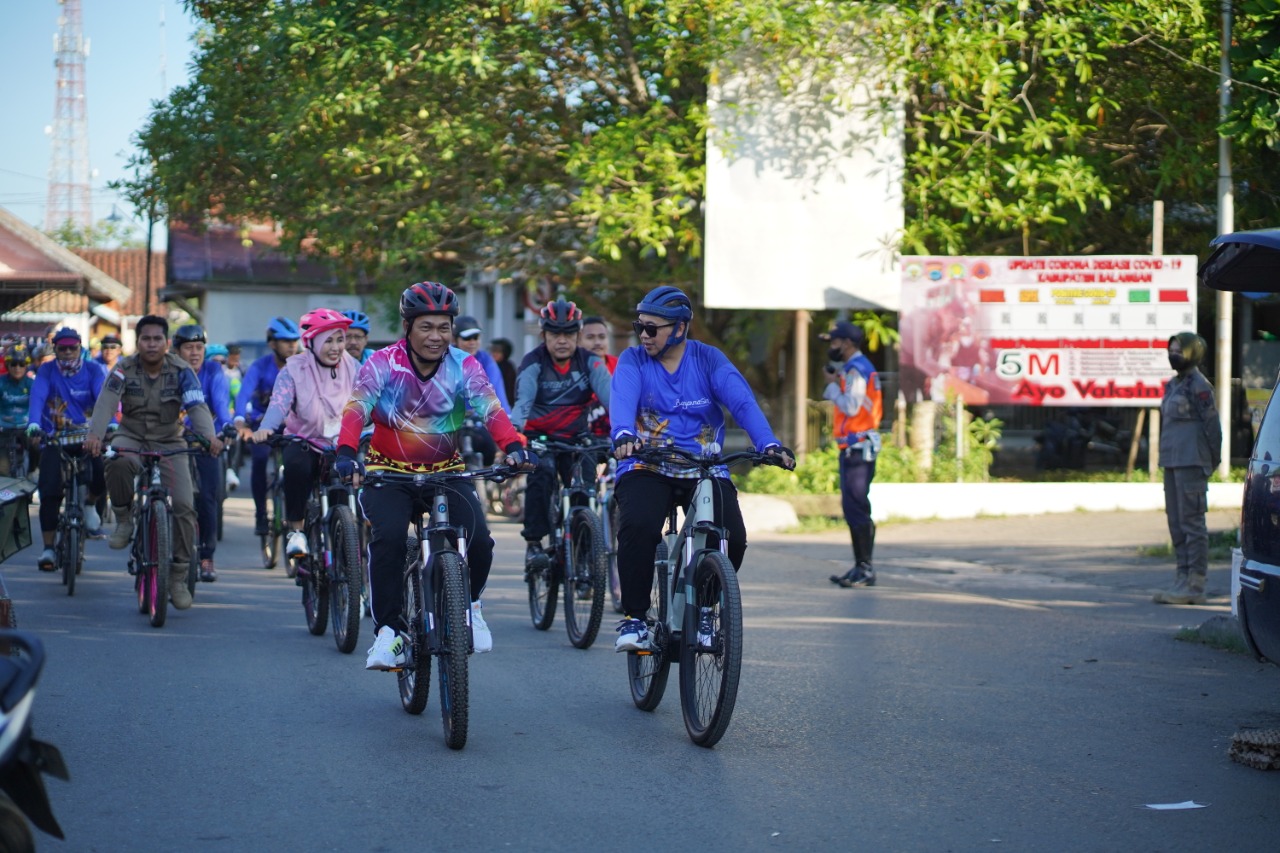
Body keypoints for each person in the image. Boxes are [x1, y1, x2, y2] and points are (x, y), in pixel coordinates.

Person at [335, 282, 533, 669]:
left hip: (447, 472)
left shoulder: (464, 364)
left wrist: (513, 447)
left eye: (444, 327)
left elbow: (491, 409)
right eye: (427, 327)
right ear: (407, 326)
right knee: (389, 539)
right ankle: (389, 632)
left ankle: (470, 605)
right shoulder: (383, 363)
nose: (436, 336)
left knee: (480, 542)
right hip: (387, 474)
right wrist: (345, 453)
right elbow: (357, 408)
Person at [610, 286, 794, 652]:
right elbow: (623, 399)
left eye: (652, 328)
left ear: (679, 329)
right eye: (639, 327)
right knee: (639, 526)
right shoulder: (633, 361)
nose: (643, 336)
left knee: (734, 538)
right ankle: (635, 618)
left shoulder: (709, 359)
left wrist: (768, 444)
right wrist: (624, 433)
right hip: (648, 463)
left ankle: (706, 609)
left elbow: (741, 402)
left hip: (704, 467)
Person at [86, 315, 223, 610]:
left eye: (157, 339)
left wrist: (208, 437)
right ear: (138, 343)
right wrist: (95, 434)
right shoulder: (123, 368)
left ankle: (178, 574)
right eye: (146, 339)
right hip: (131, 436)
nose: (151, 344)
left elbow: (197, 405)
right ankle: (123, 517)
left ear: (167, 343)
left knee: (186, 506)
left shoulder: (182, 370)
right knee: (118, 460)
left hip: (169, 441)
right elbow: (106, 402)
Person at [249, 309, 358, 565]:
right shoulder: (294, 369)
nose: (336, 347)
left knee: (349, 481)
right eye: (328, 341)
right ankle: (297, 531)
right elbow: (279, 403)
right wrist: (266, 427)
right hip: (304, 440)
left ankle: (348, 541)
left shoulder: (352, 366)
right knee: (295, 468)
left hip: (341, 442)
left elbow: (371, 398)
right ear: (312, 342)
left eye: (339, 339)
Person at [511, 298, 612, 572]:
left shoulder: (590, 363)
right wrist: (513, 436)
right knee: (541, 472)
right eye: (555, 333)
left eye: (569, 333)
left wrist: (626, 431)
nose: (562, 340)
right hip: (539, 439)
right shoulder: (533, 362)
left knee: (584, 483)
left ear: (578, 335)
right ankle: (534, 543)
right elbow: (522, 403)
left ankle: (581, 545)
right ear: (544, 335)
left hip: (576, 439)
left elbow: (612, 400)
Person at [27, 327, 108, 570]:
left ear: (80, 347)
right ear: (56, 349)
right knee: (49, 491)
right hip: (55, 436)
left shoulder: (94, 369)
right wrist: (33, 423)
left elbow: (104, 398)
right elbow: (38, 397)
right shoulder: (47, 370)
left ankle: (90, 504)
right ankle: (49, 549)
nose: (68, 352)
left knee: (103, 471)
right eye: (62, 348)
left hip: (87, 436)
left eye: (73, 347)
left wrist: (111, 423)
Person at [1153, 332, 1221, 606]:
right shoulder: (1173, 385)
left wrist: (1212, 461)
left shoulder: (1199, 386)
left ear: (1193, 352)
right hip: (1172, 463)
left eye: (1179, 350)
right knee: (1176, 524)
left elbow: (1212, 427)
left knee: (1193, 524)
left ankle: (1195, 584)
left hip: (1192, 462)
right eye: (1171, 350)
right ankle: (1181, 578)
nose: (1174, 354)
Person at [821, 320, 885, 589]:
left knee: (856, 506)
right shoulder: (853, 369)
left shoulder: (858, 370)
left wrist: (832, 387)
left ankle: (866, 568)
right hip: (853, 447)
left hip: (859, 448)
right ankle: (860, 566)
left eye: (835, 342)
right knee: (853, 507)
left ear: (847, 343)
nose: (832, 347)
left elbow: (852, 406)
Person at [173, 325, 233, 582]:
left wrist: (226, 427)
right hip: (172, 442)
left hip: (207, 442)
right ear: (177, 351)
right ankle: (168, 544)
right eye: (189, 348)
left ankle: (207, 557)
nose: (195, 353)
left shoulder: (213, 370)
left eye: (199, 348)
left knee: (209, 498)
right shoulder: (169, 371)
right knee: (172, 498)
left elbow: (220, 403)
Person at [235, 317, 301, 539]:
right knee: (260, 460)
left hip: (292, 425)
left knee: (298, 465)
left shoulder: (303, 365)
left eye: (295, 341)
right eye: (285, 341)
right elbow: (243, 395)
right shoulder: (259, 367)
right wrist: (240, 422)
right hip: (261, 424)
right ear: (272, 344)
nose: (292, 345)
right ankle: (261, 514)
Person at [0, 346, 33, 477]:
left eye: (21, 364)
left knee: (38, 448)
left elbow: (40, 405)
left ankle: (32, 473)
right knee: (3, 470)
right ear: (7, 365)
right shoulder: (1, 382)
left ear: (26, 366)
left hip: (27, 429)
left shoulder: (32, 384)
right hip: (4, 429)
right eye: (13, 364)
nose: (17, 368)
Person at [488, 337, 518, 404]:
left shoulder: (508, 368)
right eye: (492, 351)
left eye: (498, 351)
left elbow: (511, 389)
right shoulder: (487, 365)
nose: (494, 354)